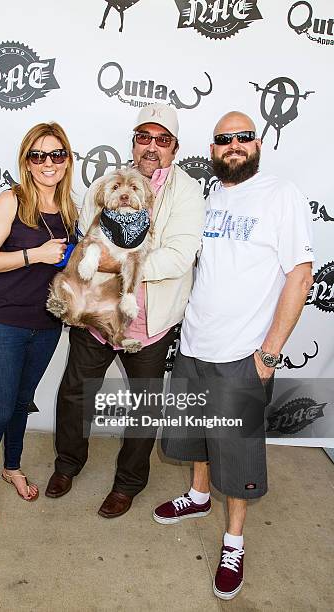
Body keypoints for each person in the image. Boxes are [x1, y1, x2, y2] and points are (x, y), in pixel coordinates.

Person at [154, 111, 314, 599]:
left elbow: (300, 274)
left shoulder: (280, 195)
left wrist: (268, 355)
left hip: (242, 354)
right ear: (214, 149)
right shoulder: (212, 197)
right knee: (195, 436)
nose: (234, 146)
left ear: (259, 143)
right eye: (224, 140)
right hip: (195, 343)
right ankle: (199, 496)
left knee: (239, 455)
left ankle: (233, 541)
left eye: (243, 137)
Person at [45, 103, 206, 518]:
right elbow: (86, 234)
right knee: (75, 393)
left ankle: (128, 483)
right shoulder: (108, 180)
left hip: (150, 321)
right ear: (134, 141)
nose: (152, 146)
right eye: (144, 137)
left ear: (175, 147)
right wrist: (96, 261)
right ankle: (68, 464)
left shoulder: (185, 190)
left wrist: (122, 264)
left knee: (145, 405)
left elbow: (180, 255)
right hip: (97, 314)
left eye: (162, 140)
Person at [0, 122, 77, 523]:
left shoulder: (69, 209)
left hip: (47, 325)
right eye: (38, 156)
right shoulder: (10, 201)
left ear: (67, 161)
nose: (48, 163)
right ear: (27, 163)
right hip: (4, 323)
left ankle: (11, 467)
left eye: (56, 154)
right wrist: (35, 254)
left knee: (20, 404)